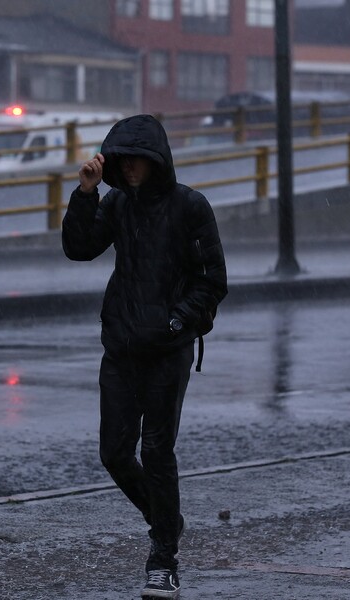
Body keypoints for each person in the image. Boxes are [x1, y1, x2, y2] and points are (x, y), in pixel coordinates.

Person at [62, 114, 228, 598]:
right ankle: (167, 520)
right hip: (120, 347)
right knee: (114, 452)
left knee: (157, 451)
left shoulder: (190, 207)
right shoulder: (116, 203)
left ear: (156, 161)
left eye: (137, 159)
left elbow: (212, 281)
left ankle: (162, 559)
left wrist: (177, 321)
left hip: (167, 351)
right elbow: (78, 248)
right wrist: (86, 193)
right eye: (121, 160)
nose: (129, 168)